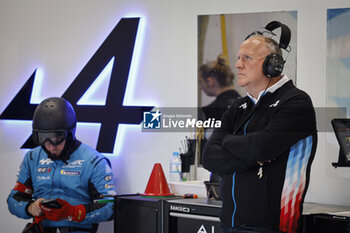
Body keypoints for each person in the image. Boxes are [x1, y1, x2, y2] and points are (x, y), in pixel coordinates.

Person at [202, 29, 317, 232]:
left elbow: (260, 147)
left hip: (271, 226)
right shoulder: (238, 106)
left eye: (247, 58)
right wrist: (253, 154)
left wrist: (228, 142)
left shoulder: (297, 102)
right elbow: (210, 157)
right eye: (238, 58)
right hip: (229, 224)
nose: (238, 65)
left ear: (273, 64)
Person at [7, 97, 116, 233]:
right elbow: (13, 200)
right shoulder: (32, 157)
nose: (51, 147)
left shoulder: (94, 161)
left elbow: (110, 207)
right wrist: (30, 207)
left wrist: (72, 212)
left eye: (56, 140)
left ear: (69, 135)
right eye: (44, 140)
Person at [198, 54, 241, 198]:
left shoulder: (207, 113)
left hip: (222, 179)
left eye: (201, 82)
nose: (201, 86)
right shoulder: (245, 105)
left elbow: (209, 153)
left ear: (209, 81)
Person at [199, 54, 241, 121]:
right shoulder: (247, 105)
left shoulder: (206, 114)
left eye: (200, 82)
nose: (200, 87)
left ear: (209, 81)